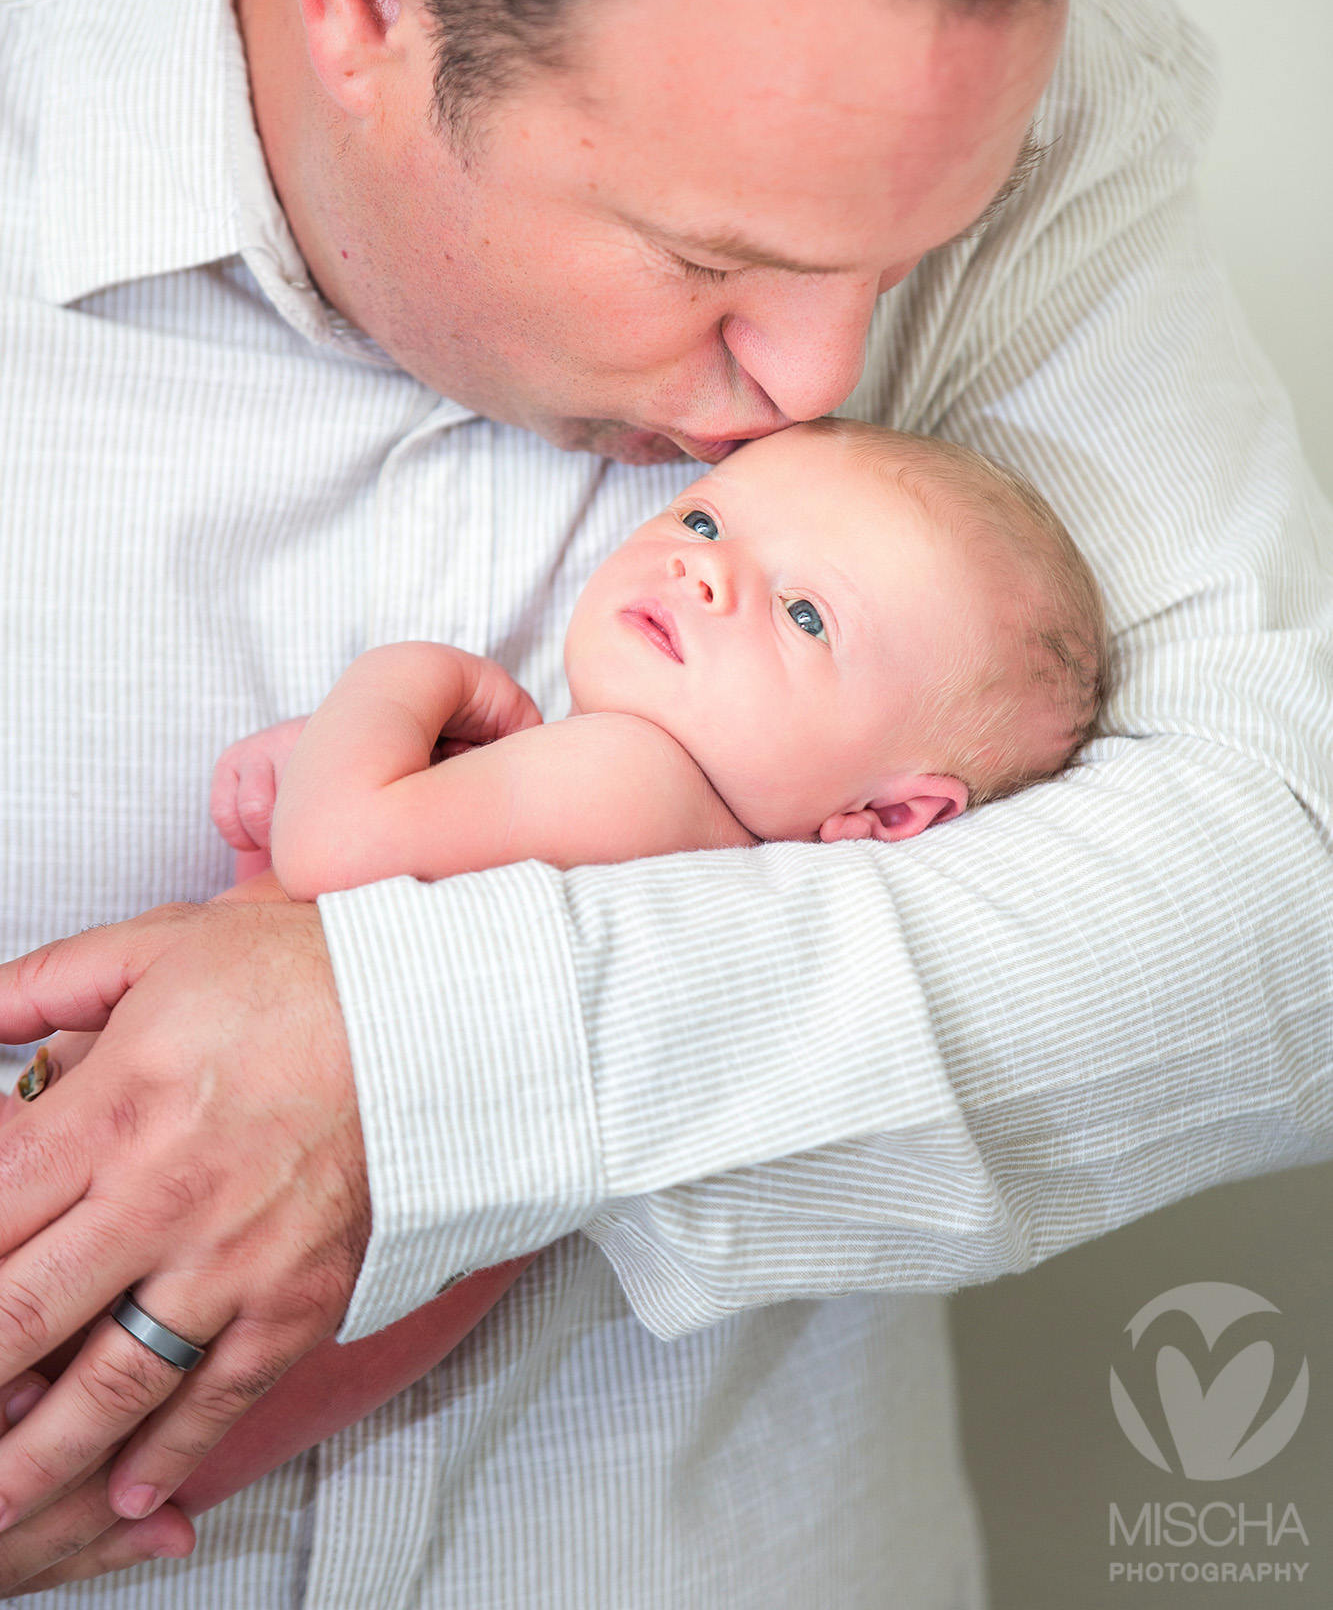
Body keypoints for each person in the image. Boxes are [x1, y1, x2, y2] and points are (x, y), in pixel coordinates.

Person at [0, 0, 1328, 1602]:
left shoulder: (986, 75)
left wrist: (413, 1067)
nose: (814, 387)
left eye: (919, 253)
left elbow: (1286, 887)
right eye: (709, 256)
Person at [8, 418, 1105, 1514]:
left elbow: (334, 849)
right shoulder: (695, 868)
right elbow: (332, 902)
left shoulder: (631, 776)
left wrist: (400, 678)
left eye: (803, 611)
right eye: (706, 516)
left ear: (892, 810)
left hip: (145, 1232)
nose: (703, 570)